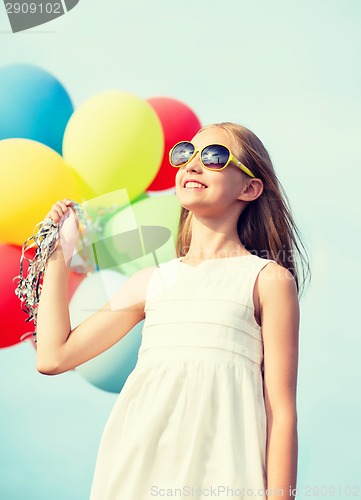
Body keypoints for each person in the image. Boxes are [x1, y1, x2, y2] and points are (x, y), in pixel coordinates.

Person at [36, 122, 311, 500]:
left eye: (214, 157)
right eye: (185, 154)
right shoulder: (151, 281)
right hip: (136, 473)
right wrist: (58, 256)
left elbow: (281, 412)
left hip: (226, 474)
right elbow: (53, 356)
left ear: (250, 188)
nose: (192, 165)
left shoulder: (268, 280)